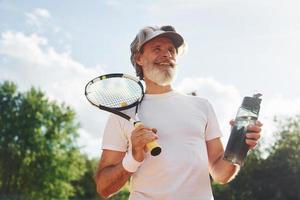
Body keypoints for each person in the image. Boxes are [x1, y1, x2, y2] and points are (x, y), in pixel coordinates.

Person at [95, 25, 263, 200]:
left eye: (171, 50)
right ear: (139, 58)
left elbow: (221, 174)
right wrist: (133, 157)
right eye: (157, 49)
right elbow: (104, 188)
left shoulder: (202, 106)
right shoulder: (123, 114)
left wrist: (240, 147)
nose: (167, 54)